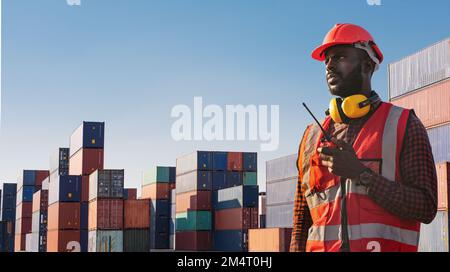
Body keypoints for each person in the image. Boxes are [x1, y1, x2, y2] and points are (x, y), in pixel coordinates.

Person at [290, 23, 437, 252]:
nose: (329, 66)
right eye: (326, 60)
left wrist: (361, 174)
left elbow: (426, 207)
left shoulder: (404, 125)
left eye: (339, 57)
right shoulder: (311, 137)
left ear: (367, 65)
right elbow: (301, 224)